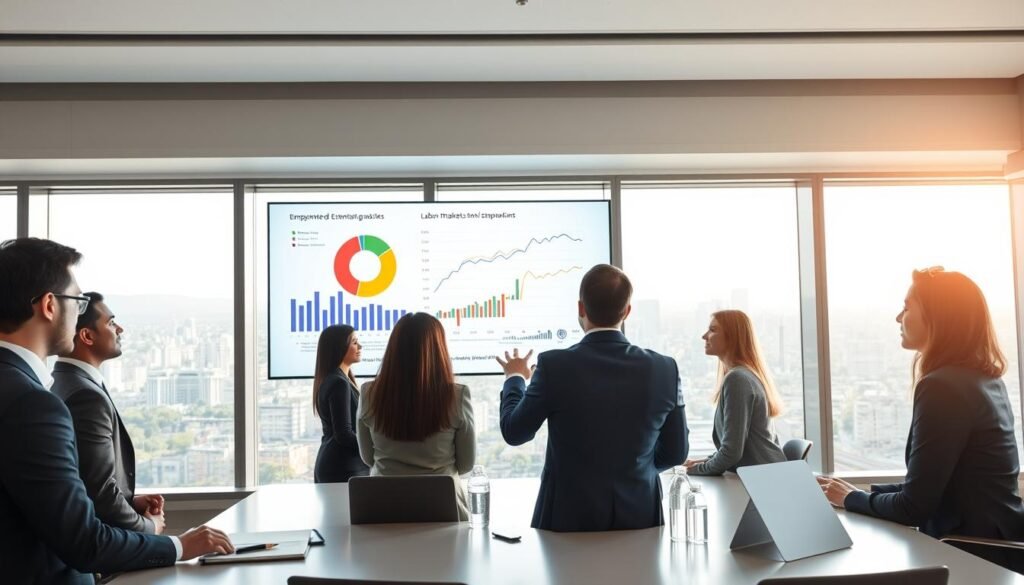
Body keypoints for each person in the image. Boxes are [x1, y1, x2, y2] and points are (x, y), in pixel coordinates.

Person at [0, 238, 233, 584]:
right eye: (77, 302)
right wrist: (179, 545)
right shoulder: (33, 404)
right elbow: (84, 542)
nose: (80, 314)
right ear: (49, 305)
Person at [818, 267, 1024, 573]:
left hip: (971, 556)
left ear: (938, 316)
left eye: (906, 307)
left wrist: (852, 499)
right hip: (997, 548)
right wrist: (861, 492)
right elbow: (934, 486)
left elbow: (913, 507)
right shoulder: (984, 380)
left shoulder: (942, 387)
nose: (898, 318)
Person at [497, 264, 689, 532]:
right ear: (627, 312)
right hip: (639, 515)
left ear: (580, 308)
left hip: (567, 518)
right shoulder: (665, 368)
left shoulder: (554, 366)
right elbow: (676, 452)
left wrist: (514, 378)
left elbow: (514, 432)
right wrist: (636, 471)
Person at [50, 292, 167, 535]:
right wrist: (149, 527)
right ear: (87, 336)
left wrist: (129, 501)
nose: (120, 329)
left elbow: (85, 480)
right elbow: (99, 491)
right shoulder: (86, 395)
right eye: (111, 323)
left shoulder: (66, 381)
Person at [356, 313, 475, 519]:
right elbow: (466, 464)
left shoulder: (369, 393)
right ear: (439, 350)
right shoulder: (457, 395)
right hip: (443, 507)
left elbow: (368, 458)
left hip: (383, 507)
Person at [685, 309, 786, 476]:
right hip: (764, 477)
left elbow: (732, 452)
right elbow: (738, 448)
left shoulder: (738, 379)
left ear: (732, 337)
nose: (704, 336)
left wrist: (694, 470)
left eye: (713, 330)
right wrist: (705, 461)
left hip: (764, 482)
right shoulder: (744, 375)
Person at [313, 324, 370, 483]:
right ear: (339, 347)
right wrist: (373, 447)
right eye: (354, 342)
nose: (360, 346)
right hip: (343, 467)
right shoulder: (339, 383)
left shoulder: (334, 379)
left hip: (335, 462)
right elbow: (343, 434)